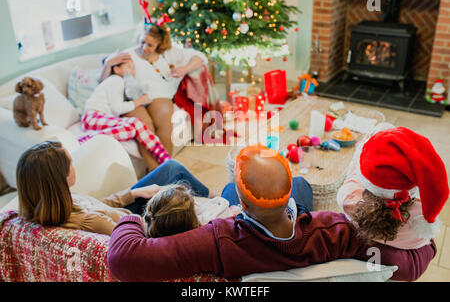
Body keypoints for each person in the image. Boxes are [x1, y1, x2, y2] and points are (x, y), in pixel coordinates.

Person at [107, 144, 437, 282]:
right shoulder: (334, 230)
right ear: (286, 196)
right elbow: (407, 264)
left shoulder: (217, 238)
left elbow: (123, 258)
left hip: (242, 228)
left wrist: (132, 215)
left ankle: (212, 194)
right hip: (296, 230)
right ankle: (218, 194)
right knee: (305, 181)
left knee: (176, 171)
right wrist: (425, 237)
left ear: (242, 204)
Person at [15, 141, 211, 236]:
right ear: (60, 178)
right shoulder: (92, 222)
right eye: (70, 162)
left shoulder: (50, 203)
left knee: (170, 167)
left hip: (122, 210)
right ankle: (217, 200)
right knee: (177, 179)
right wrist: (159, 210)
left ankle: (211, 196)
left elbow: (97, 204)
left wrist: (134, 193)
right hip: (138, 220)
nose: (74, 166)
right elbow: (140, 236)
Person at [98, 19, 210, 163]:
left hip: (159, 96)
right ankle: (156, 172)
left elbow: (200, 57)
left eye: (150, 45)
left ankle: (166, 166)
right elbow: (103, 82)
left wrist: (184, 69)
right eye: (142, 42)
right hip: (132, 99)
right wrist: (108, 63)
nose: (144, 47)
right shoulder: (127, 55)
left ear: (159, 44)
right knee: (143, 127)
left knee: (164, 119)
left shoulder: (168, 53)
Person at [337, 126, 449, 249]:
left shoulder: (349, 198)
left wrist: (361, 148)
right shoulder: (422, 215)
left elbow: (352, 175)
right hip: (407, 260)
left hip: (369, 253)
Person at [80, 59, 171, 168]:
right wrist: (140, 101)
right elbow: (118, 108)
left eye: (133, 68)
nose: (132, 70)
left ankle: (165, 160)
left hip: (96, 118)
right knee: (136, 123)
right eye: (129, 66)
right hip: (92, 117)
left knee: (132, 129)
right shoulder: (116, 80)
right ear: (116, 69)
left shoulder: (120, 83)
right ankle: (165, 159)